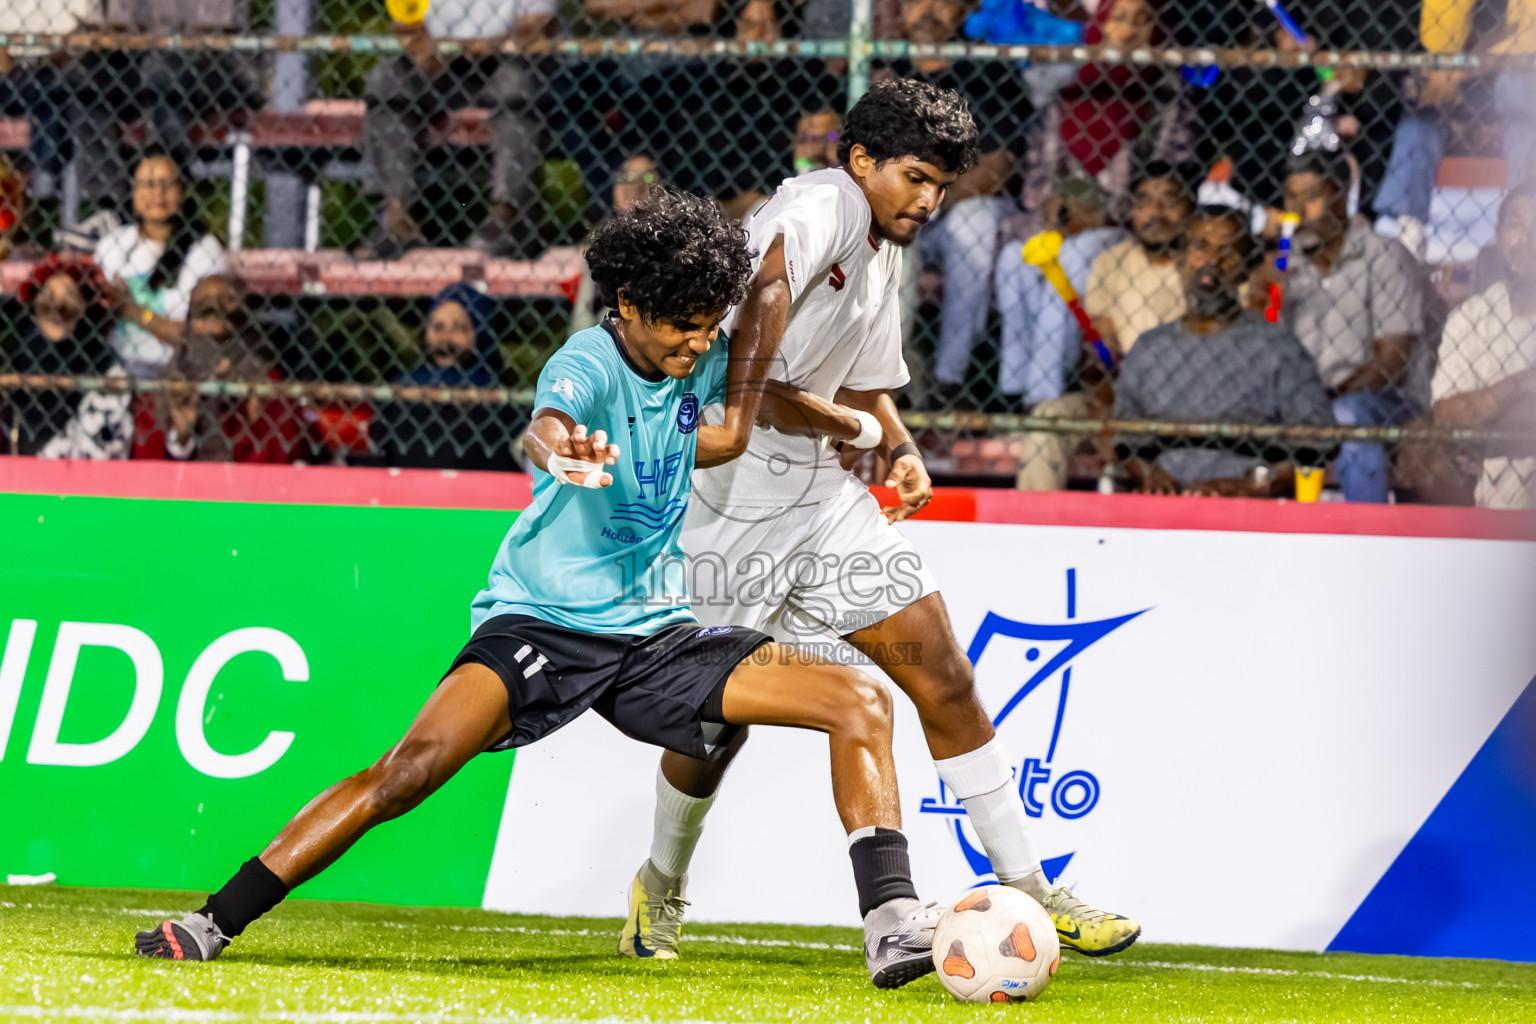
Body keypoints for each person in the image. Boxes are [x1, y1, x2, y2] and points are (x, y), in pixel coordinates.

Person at [134, 188, 945, 989]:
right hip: (542, 622)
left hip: (655, 635)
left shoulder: (701, 357)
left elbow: (740, 423)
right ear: (629, 303)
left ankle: (891, 926)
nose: (698, 345)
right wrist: (562, 453)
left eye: (707, 327)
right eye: (682, 328)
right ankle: (213, 920)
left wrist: (863, 430)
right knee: (409, 771)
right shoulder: (589, 361)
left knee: (860, 701)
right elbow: (547, 426)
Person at [618, 79, 1141, 962]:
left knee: (942, 671)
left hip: (821, 505)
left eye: (941, 184)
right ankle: (657, 890)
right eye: (915, 177)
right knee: (711, 730)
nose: (930, 199)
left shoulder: (883, 243)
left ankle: (1030, 888)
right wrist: (829, 422)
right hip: (725, 511)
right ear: (861, 160)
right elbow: (766, 303)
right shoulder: (818, 202)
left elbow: (863, 378)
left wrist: (894, 442)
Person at [874, 0, 1031, 405]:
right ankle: (888, 377)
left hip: (963, 205)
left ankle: (950, 378)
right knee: (892, 238)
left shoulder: (985, 64)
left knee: (971, 227)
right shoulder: (882, 68)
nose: (927, 9)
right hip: (896, 208)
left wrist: (928, 199)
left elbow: (998, 164)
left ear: (964, 9)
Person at [1114, 207, 1333, 495]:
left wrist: (1249, 484)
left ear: (1245, 269)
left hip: (1247, 511)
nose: (1212, 262)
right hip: (1165, 505)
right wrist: (1147, 474)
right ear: (1180, 259)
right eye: (1200, 248)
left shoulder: (1278, 347)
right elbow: (1125, 441)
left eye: (1228, 253)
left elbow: (1317, 447)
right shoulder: (1149, 347)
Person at [1249, 148, 1427, 503]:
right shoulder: (1285, 266)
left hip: (1384, 403)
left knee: (1347, 417)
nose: (1297, 213)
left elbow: (1392, 365)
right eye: (1291, 199)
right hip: (1306, 403)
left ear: (1342, 197)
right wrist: (1261, 297)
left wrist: (1318, 401)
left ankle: (1364, 539)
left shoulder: (1383, 255)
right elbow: (1263, 354)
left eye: (1311, 198)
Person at [362, 0, 554, 258]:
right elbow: (404, 23)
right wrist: (425, 50)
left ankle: (504, 217)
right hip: (437, 64)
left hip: (503, 62)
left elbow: (541, 25)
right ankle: (396, 218)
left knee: (517, 85)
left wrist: (487, 45)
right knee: (384, 80)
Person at [994, 176, 1124, 490]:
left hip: (1099, 348)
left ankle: (1042, 394)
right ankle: (1016, 390)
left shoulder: (1107, 236)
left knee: (1072, 255)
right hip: (1069, 274)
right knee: (1014, 256)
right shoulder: (1061, 237)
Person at [1416, 183, 1536, 509]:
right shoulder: (1471, 318)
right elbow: (1447, 419)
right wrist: (1523, 384)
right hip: (1497, 507)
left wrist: (1486, 428)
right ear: (1498, 235)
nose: (1527, 239)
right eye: (1516, 225)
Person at [134, 275, 310, 464]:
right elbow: (149, 464)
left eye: (223, 315)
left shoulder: (268, 389)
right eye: (203, 314)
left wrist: (247, 412)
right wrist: (180, 434)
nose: (211, 325)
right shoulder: (166, 385)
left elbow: (276, 461)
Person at [95, 152, 228, 379]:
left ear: (183, 191)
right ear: (133, 191)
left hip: (179, 374)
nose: (158, 193)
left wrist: (133, 312)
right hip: (115, 370)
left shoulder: (204, 249)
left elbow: (200, 337)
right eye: (148, 184)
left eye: (167, 184)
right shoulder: (112, 246)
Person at [368, 283, 521, 472]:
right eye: (438, 327)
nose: (445, 339)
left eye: (459, 328)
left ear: (480, 333)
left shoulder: (502, 397)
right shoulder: (402, 386)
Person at [3, 255, 130, 459]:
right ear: (35, 300)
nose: (58, 308)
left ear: (84, 306)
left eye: (69, 298)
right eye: (49, 297)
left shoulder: (100, 359)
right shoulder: (15, 349)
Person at [1081, 158, 1197, 357]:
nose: (1156, 212)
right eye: (1145, 201)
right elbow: (1099, 325)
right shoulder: (1111, 261)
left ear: (1189, 206)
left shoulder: (1205, 267)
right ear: (1132, 210)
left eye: (1169, 200)